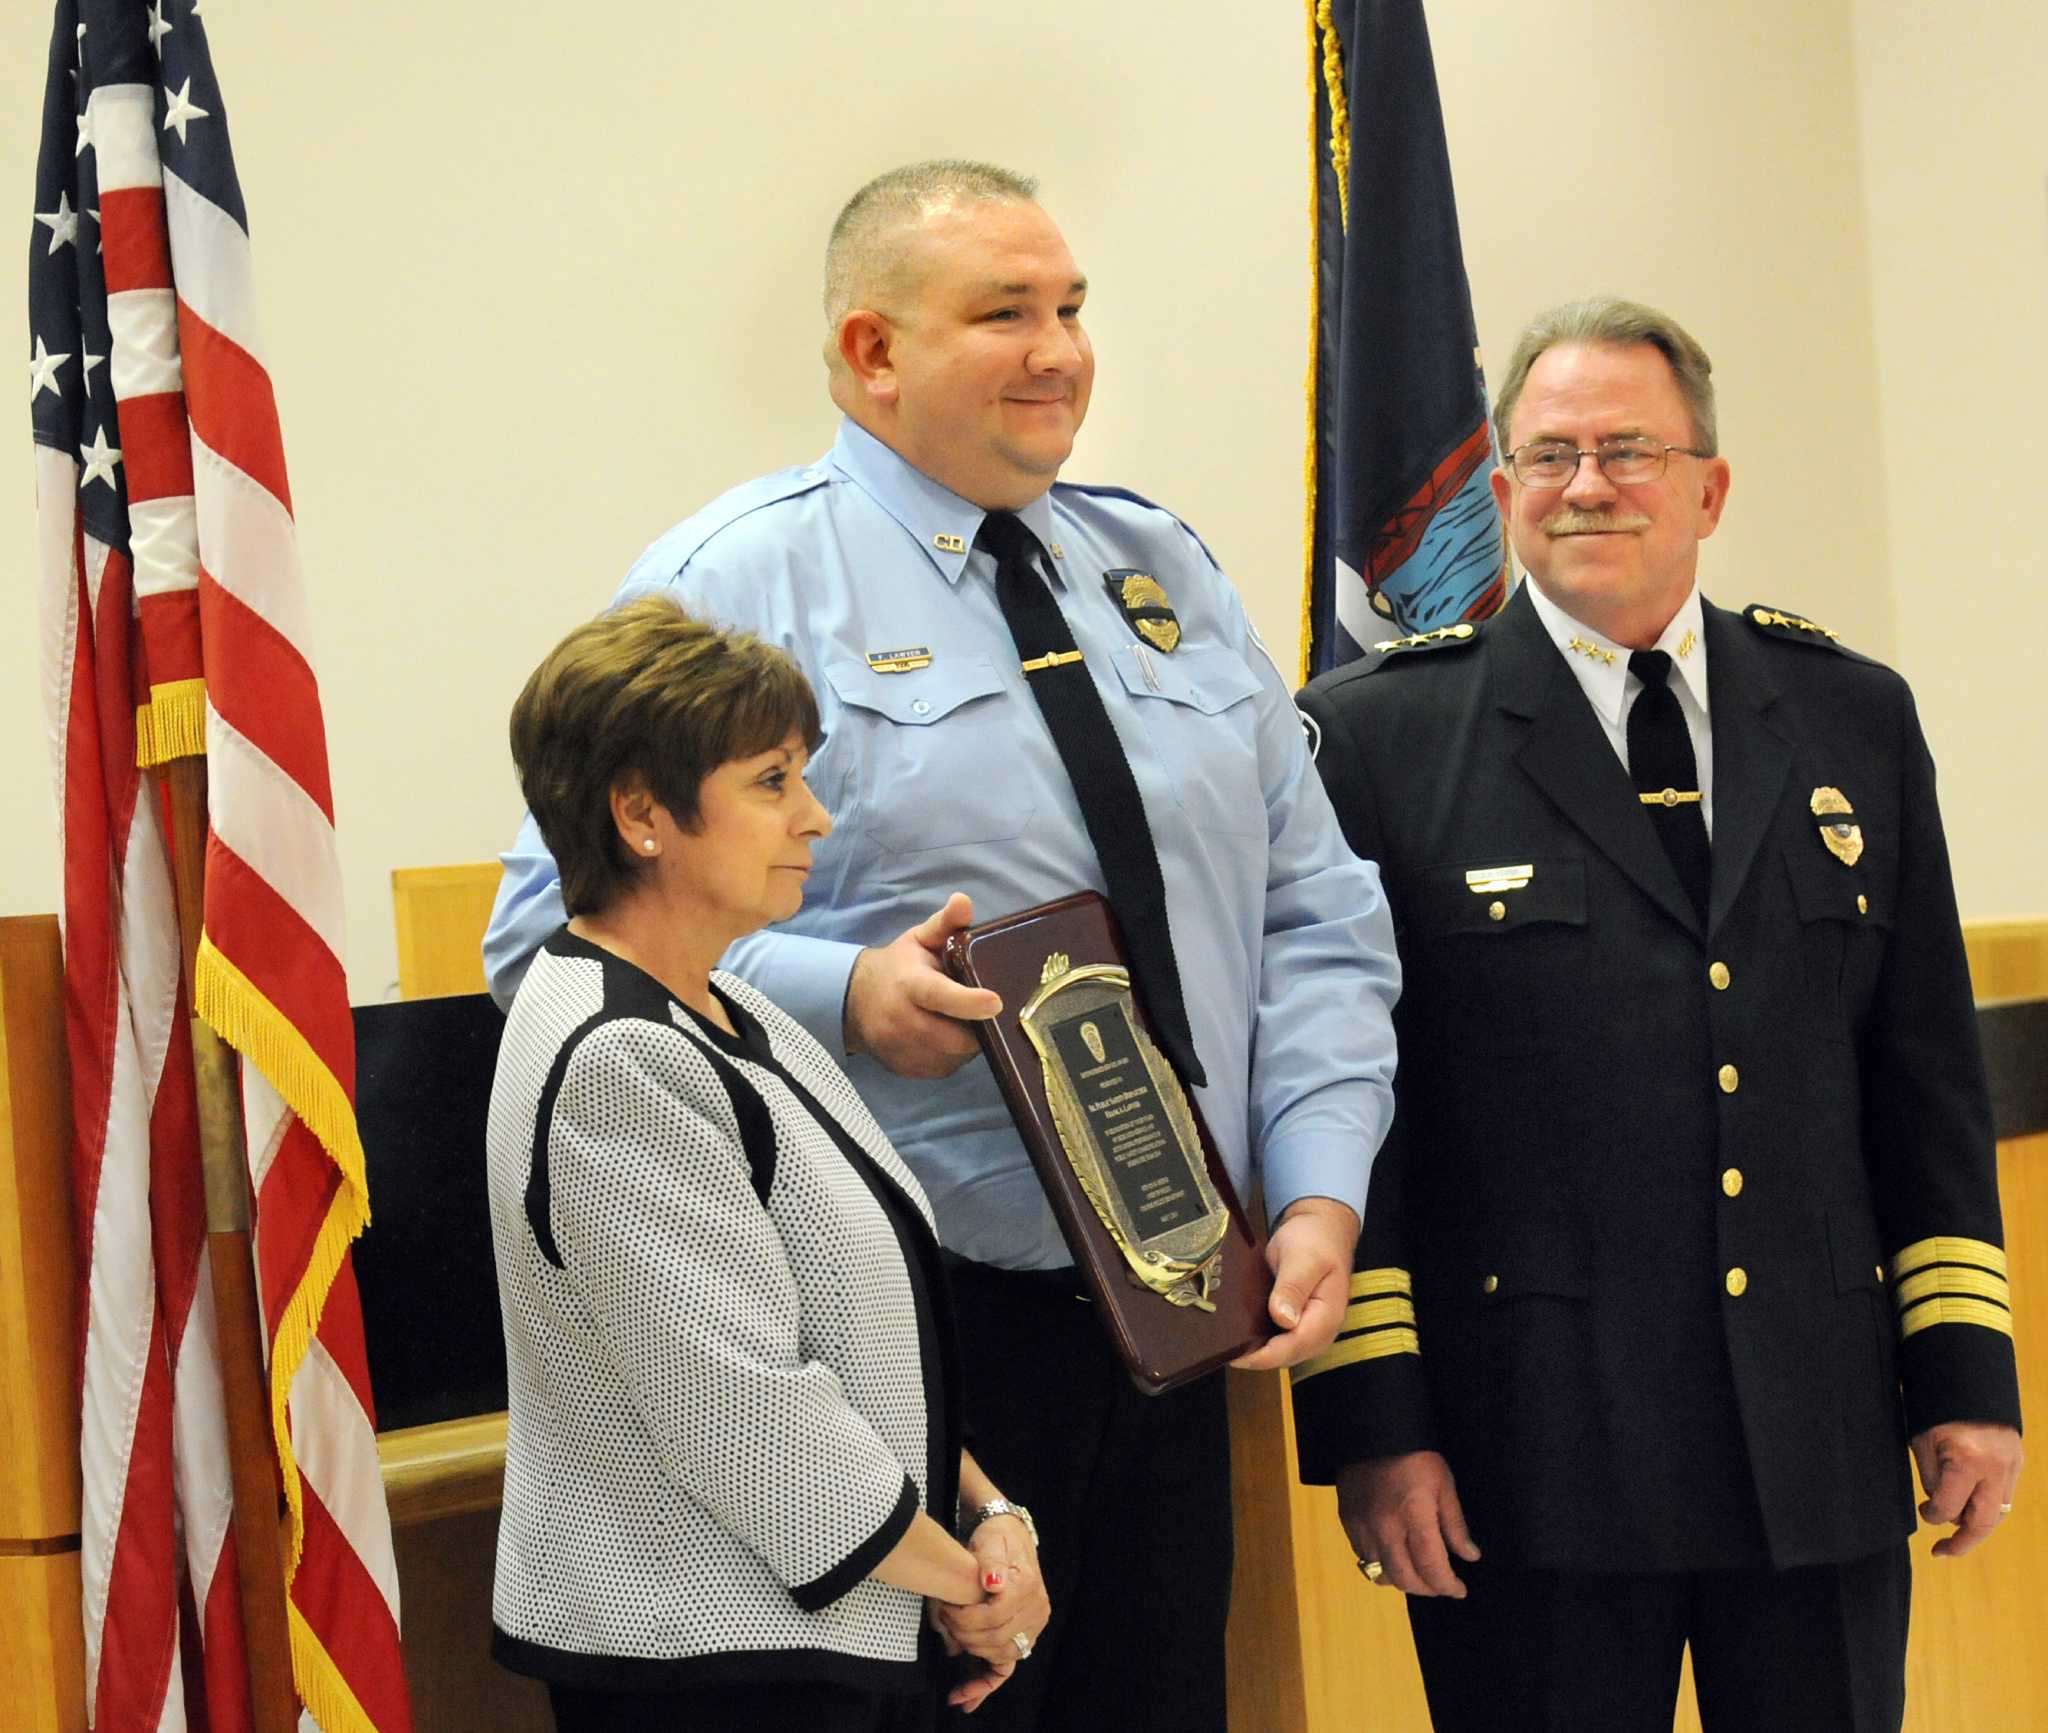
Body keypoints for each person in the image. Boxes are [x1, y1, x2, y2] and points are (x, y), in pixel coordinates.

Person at [484, 160, 1401, 1728]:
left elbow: (1314, 908)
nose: (1059, 351)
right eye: (1004, 313)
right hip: (916, 1336)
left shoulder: (1155, 568)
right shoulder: (740, 578)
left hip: (1181, 1312)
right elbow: (546, 938)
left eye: (1071, 308)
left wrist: (1318, 1186)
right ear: (871, 352)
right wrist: (851, 994)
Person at [1291, 296, 2023, 1731]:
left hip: (1816, 1437)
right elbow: (1348, 1108)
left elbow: (1924, 1077)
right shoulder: (1374, 739)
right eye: (1550, 455)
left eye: (1629, 449)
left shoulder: (1850, 715)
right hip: (1527, 1455)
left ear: (1710, 487)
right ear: (1500, 495)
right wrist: (1380, 1425)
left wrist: (1965, 1378)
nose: (1588, 486)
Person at [485, 596, 1047, 1731]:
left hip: (817, 1639)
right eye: (771, 781)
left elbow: (855, 1347)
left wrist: (996, 1515)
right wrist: (974, 1586)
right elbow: (745, 1417)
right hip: (711, 1667)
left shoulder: (732, 1007)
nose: (816, 817)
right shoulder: (615, 1055)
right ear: (642, 814)